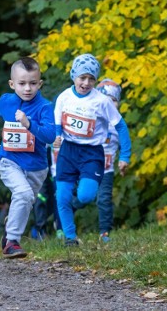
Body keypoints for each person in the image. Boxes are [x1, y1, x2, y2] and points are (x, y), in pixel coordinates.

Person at [0, 57, 55, 258]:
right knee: (24, 195)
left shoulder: (45, 107)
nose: (28, 88)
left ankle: (9, 229)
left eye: (33, 83)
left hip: (37, 167)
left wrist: (29, 125)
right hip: (9, 161)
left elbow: (50, 136)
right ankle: (12, 242)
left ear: (40, 83)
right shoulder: (6, 102)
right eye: (22, 83)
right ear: (12, 84)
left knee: (26, 200)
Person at [53, 54, 131, 247]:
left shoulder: (102, 101)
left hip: (92, 153)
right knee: (61, 195)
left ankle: (79, 213)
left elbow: (121, 127)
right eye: (82, 78)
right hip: (68, 150)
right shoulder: (64, 97)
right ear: (73, 76)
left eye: (91, 79)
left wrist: (125, 156)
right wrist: (56, 139)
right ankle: (70, 238)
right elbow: (57, 124)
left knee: (86, 196)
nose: (86, 83)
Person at [95, 79, 128, 243]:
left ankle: (105, 232)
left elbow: (125, 142)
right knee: (82, 198)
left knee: (104, 199)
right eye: (106, 100)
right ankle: (67, 213)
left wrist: (124, 159)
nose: (110, 104)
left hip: (107, 169)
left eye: (114, 100)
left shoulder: (118, 125)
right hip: (88, 168)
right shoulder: (93, 119)